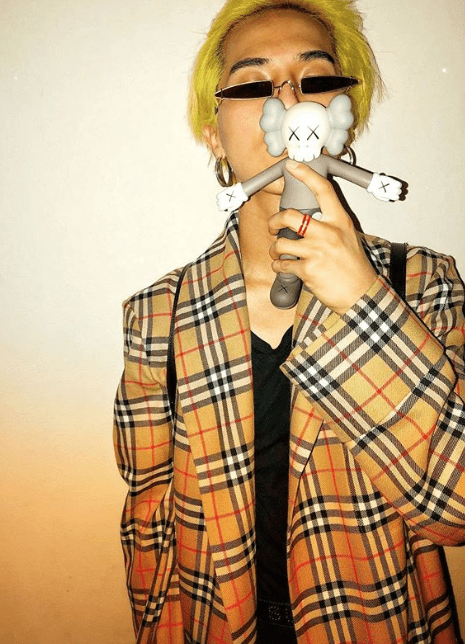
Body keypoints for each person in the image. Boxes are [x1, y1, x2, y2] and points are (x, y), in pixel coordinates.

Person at [114, 1, 465, 642]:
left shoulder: (422, 284)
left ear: (342, 116)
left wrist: (363, 300)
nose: (289, 97)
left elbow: (458, 508)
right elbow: (150, 529)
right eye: (253, 84)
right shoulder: (157, 315)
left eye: (316, 77)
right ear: (214, 133)